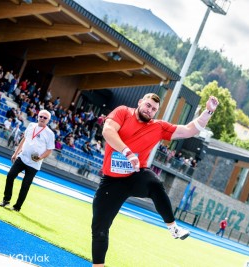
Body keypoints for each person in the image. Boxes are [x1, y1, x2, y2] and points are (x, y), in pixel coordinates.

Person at [91, 93, 219, 266]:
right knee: (99, 229)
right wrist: (127, 153)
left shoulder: (158, 127)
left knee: (155, 184)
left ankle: (173, 228)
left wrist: (208, 112)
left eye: (154, 109)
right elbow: (108, 131)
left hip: (136, 175)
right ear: (140, 102)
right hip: (111, 181)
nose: (149, 110)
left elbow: (189, 130)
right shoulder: (123, 112)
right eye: (148, 106)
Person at [0, 110, 55, 212]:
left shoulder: (50, 134)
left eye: (45, 118)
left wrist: (40, 157)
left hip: (34, 164)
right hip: (22, 157)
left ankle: (17, 207)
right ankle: (6, 200)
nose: (42, 119)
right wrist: (16, 153)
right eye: (41, 116)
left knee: (25, 185)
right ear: (38, 116)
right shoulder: (31, 126)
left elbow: (49, 150)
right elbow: (24, 140)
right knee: (10, 175)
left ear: (48, 120)